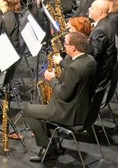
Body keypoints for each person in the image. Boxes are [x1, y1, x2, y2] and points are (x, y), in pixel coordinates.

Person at [22, 32, 97, 162]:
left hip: (68, 113)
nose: (63, 46)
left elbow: (63, 94)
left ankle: (48, 148)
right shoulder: (89, 60)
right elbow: (76, 72)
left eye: (66, 44)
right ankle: (56, 144)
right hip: (83, 109)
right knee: (40, 108)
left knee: (27, 110)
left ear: (73, 47)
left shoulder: (75, 68)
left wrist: (52, 79)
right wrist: (62, 62)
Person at [87, 0, 117, 89]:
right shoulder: (109, 22)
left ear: (99, 12)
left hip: (100, 72)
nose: (89, 9)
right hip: (107, 67)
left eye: (92, 8)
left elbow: (94, 54)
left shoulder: (100, 30)